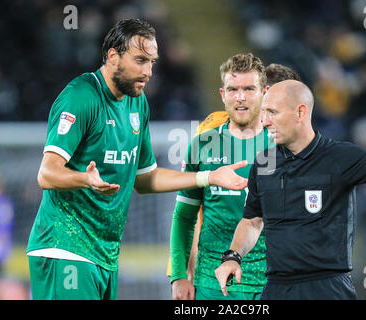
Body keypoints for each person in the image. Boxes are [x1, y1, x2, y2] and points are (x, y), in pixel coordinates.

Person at [26, 19, 247, 300]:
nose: (149, 71)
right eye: (140, 60)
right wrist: (84, 179)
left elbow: (145, 178)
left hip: (104, 255)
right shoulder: (80, 97)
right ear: (113, 56)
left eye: (152, 62)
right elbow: (47, 174)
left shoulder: (136, 102)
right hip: (65, 248)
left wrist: (209, 176)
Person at [215, 80, 366, 300]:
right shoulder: (263, 164)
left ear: (300, 112)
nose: (264, 121)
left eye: (272, 112)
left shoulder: (341, 157)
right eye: (263, 112)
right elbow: (252, 220)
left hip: (327, 289)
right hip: (277, 288)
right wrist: (233, 256)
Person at [170, 56, 301, 300]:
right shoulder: (203, 143)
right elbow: (185, 215)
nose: (240, 97)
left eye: (249, 89)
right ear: (222, 93)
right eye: (233, 90)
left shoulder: (287, 147)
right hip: (212, 283)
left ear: (264, 92)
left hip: (272, 282)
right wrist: (178, 274)